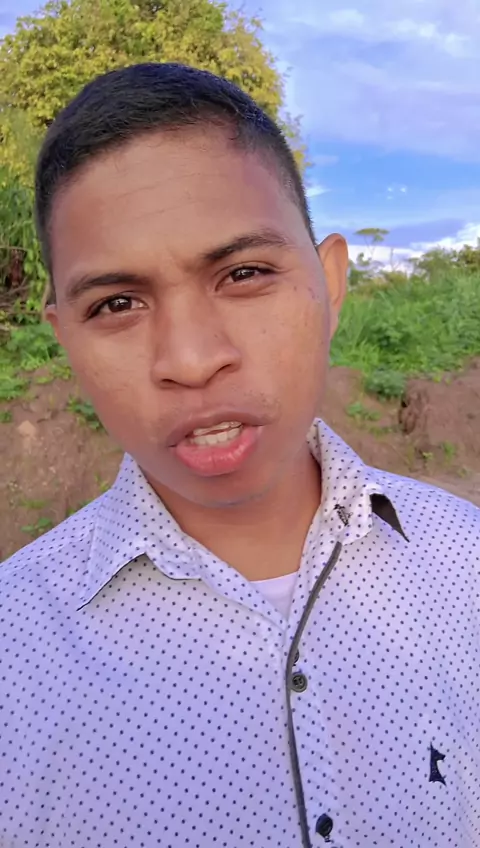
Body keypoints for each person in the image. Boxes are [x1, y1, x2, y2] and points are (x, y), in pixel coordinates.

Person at [0, 63, 479, 848]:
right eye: (116, 303)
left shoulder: (468, 569)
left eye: (245, 273)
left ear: (329, 286)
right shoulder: (12, 655)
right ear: (66, 339)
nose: (191, 359)